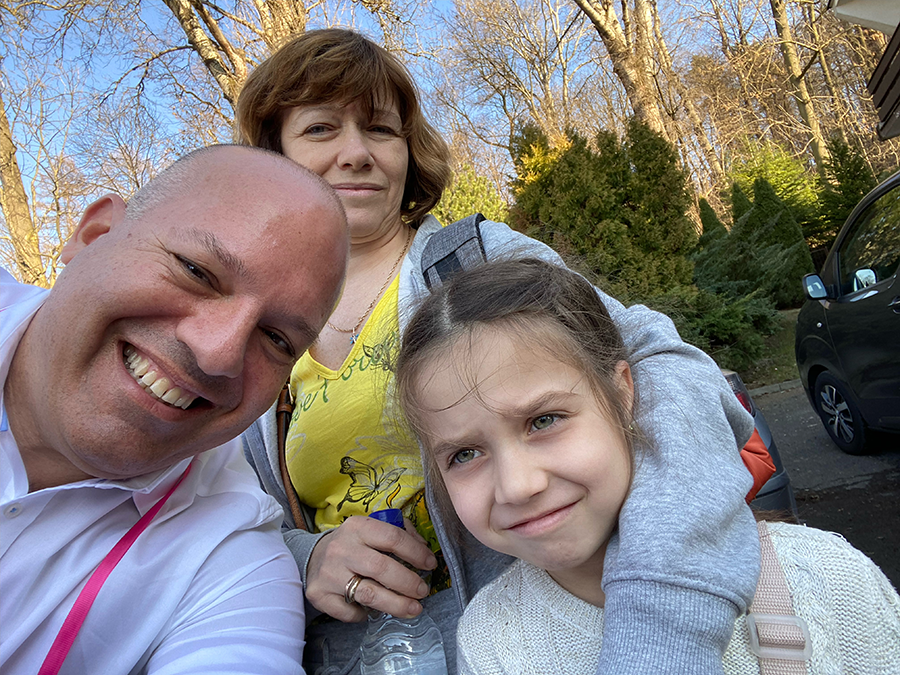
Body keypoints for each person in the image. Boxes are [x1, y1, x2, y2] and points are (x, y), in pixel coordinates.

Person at [237, 28, 760, 675]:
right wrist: (307, 556)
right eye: (320, 129)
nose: (356, 153)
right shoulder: (254, 322)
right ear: (273, 154)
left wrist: (659, 626)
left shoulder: (473, 262)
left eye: (379, 128)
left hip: (541, 643)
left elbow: (668, 369)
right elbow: (236, 517)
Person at [395, 257, 900, 675]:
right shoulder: (492, 644)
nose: (518, 485)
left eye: (544, 420)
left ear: (622, 392)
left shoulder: (825, 577)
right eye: (464, 454)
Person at [0, 145, 349, 674]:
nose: (219, 352)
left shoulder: (232, 558)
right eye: (197, 271)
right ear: (94, 234)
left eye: (276, 339)